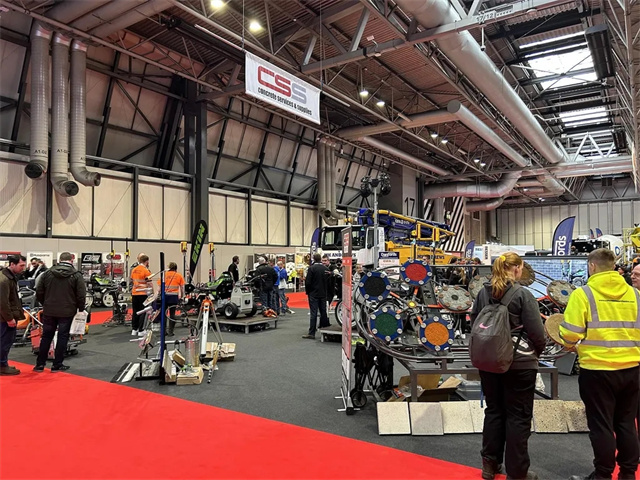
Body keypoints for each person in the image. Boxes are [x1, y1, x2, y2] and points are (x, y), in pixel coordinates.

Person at [560, 248, 640, 480]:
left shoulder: (583, 294)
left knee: (601, 425)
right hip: (631, 369)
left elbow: (570, 333)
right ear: (614, 267)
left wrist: (567, 340)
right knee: (626, 423)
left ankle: (603, 475)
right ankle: (628, 473)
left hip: (597, 371)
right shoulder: (635, 294)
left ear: (592, 266)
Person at [470, 252, 545, 480]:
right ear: (517, 269)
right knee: (518, 417)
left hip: (488, 361)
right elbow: (537, 332)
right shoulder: (523, 294)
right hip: (519, 363)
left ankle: (489, 465)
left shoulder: (483, 293)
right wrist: (536, 352)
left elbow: (474, 323)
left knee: (494, 411)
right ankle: (517, 472)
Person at [34, 252, 86, 372]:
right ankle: (57, 364)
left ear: (59, 260)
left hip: (49, 309)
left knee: (46, 336)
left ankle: (40, 364)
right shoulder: (76, 275)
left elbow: (39, 291)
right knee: (63, 337)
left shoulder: (47, 273)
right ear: (71, 261)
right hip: (67, 311)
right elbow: (81, 294)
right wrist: (81, 309)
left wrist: (45, 303)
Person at [0, 254, 27, 375]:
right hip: (4, 318)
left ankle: (3, 364)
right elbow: (2, 302)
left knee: (6, 341)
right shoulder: (4, 279)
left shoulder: (9, 277)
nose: (23, 268)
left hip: (6, 316)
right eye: (21, 265)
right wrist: (9, 318)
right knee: (4, 341)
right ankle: (2, 365)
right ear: (12, 264)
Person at [303, 253, 330, 339]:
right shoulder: (325, 269)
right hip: (323, 293)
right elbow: (328, 282)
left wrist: (308, 292)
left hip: (313, 293)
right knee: (323, 312)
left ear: (314, 259)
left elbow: (308, 282)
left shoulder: (311, 268)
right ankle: (326, 331)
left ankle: (312, 332)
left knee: (313, 313)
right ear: (320, 259)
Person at [157, 262, 186, 337]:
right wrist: (182, 296)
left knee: (163, 314)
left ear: (169, 268)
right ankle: (171, 331)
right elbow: (182, 287)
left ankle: (163, 331)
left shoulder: (164, 275)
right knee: (172, 314)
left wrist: (158, 295)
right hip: (174, 297)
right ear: (176, 268)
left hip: (165, 296)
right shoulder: (179, 275)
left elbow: (159, 287)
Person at [131, 254, 152, 336]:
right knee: (143, 311)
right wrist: (152, 292)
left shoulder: (134, 270)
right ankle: (141, 330)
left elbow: (132, 280)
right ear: (146, 261)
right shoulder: (146, 271)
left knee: (135, 311)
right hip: (143, 293)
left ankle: (134, 329)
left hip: (134, 293)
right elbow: (149, 283)